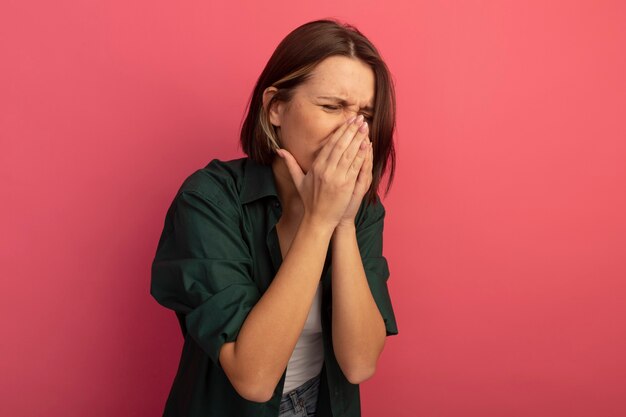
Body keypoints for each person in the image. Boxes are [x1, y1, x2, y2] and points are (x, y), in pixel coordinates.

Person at [150, 19, 399, 417]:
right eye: (332, 106)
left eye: (364, 115)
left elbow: (359, 364)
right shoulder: (209, 199)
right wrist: (319, 221)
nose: (351, 130)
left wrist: (343, 223)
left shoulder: (362, 209)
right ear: (276, 107)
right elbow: (254, 378)